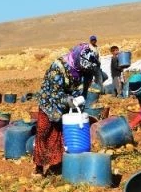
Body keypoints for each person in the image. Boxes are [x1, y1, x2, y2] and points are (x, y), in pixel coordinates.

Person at [33, 43, 101, 176]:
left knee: (65, 134)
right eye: (82, 68)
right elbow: (53, 92)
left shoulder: (87, 69)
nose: (84, 71)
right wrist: (67, 100)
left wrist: (78, 105)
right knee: (44, 132)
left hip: (71, 105)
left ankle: (59, 165)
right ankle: (39, 167)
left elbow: (84, 89)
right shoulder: (58, 67)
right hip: (50, 104)